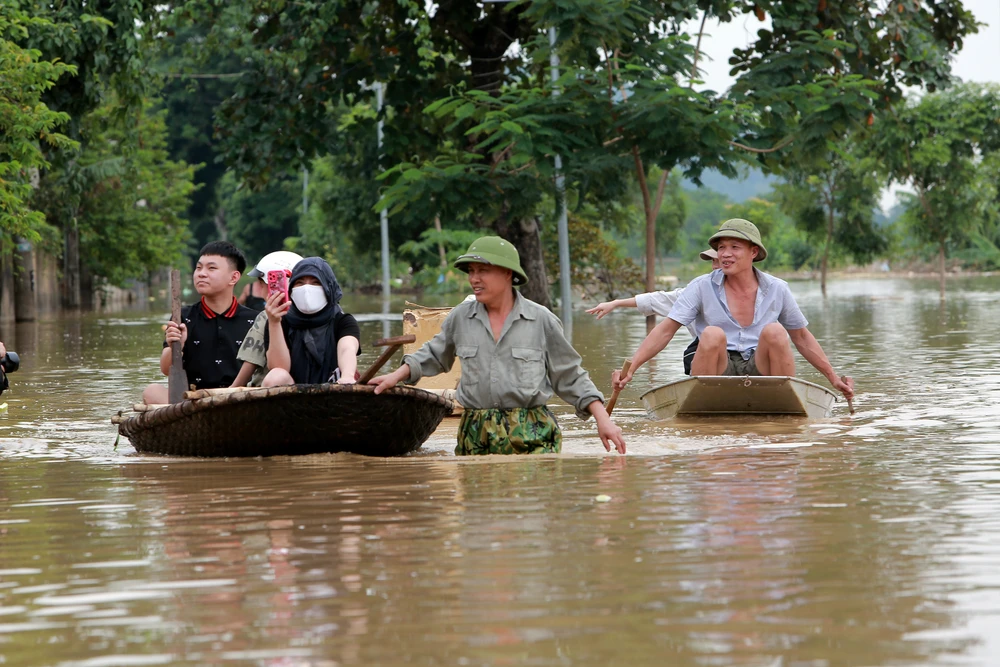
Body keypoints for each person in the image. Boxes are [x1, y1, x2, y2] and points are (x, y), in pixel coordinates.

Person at [371, 236, 627, 456]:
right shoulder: (461, 318)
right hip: (475, 432)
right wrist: (395, 376)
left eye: (483, 270)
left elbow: (569, 375)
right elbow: (433, 354)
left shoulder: (541, 320)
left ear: (507, 274)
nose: (474, 279)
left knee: (530, 509)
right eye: (471, 271)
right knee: (479, 511)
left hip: (532, 431)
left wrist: (602, 419)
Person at [613, 218, 854, 401]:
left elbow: (802, 337)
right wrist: (631, 368)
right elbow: (665, 331)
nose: (725, 254)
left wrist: (832, 377)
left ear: (753, 252)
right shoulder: (700, 286)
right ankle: (704, 405)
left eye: (735, 247)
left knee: (776, 332)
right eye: (722, 248)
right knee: (711, 334)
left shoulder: (777, 289)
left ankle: (781, 404)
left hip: (760, 366)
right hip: (718, 366)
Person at [142, 241, 258, 404]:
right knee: (152, 391)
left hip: (240, 398)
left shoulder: (255, 320)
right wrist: (176, 346)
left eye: (211, 268)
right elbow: (166, 369)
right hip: (194, 401)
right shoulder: (183, 316)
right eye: (198, 268)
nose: (201, 274)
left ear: (234, 277)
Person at [586, 248, 721, 376]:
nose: (715, 266)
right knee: (710, 336)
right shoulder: (698, 289)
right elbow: (658, 301)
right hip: (706, 360)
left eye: (719, 261)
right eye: (713, 261)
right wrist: (616, 303)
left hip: (738, 362)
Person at [237, 257, 361, 387]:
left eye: (315, 282)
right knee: (276, 376)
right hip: (292, 392)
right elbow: (279, 367)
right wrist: (274, 323)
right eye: (300, 283)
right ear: (291, 289)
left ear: (328, 287)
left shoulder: (342, 320)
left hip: (333, 387)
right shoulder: (279, 320)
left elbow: (347, 349)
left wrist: (347, 375)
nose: (307, 288)